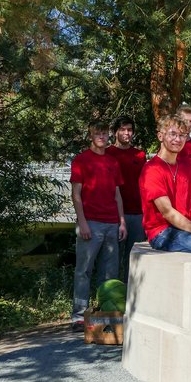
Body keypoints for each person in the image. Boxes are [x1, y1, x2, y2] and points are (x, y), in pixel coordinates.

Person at [139, 115, 191, 257]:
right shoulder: (151, 169)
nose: (178, 139)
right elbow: (167, 212)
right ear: (160, 136)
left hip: (186, 229)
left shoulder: (186, 166)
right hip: (162, 231)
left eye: (182, 135)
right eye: (173, 134)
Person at [70, 121, 126, 332]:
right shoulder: (81, 160)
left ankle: (106, 316)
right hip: (91, 223)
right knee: (83, 270)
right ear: (90, 135)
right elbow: (76, 194)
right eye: (97, 133)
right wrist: (82, 222)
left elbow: (117, 194)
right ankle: (78, 316)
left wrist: (121, 222)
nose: (102, 136)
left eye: (105, 133)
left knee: (109, 274)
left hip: (112, 223)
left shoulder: (112, 162)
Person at [105, 115, 146, 282]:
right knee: (111, 259)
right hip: (113, 214)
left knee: (133, 258)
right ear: (115, 132)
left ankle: (130, 296)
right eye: (122, 129)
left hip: (137, 212)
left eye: (129, 130)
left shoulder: (140, 155)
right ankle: (109, 297)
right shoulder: (107, 153)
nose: (126, 133)